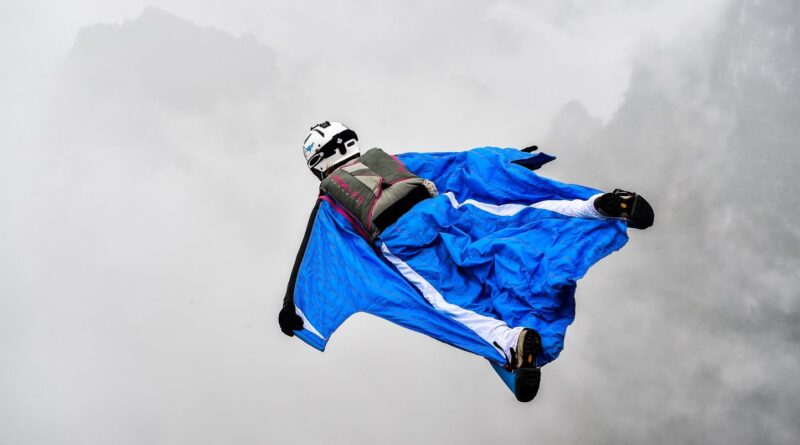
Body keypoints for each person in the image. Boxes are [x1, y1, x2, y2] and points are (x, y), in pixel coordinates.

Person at [279, 121, 653, 402]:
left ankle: (508, 340)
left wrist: (291, 307)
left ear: (318, 163)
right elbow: (455, 165)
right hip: (441, 208)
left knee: (447, 304)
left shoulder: (330, 200)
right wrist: (508, 163)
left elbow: (313, 256)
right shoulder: (389, 161)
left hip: (401, 240)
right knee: (514, 219)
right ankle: (593, 207)